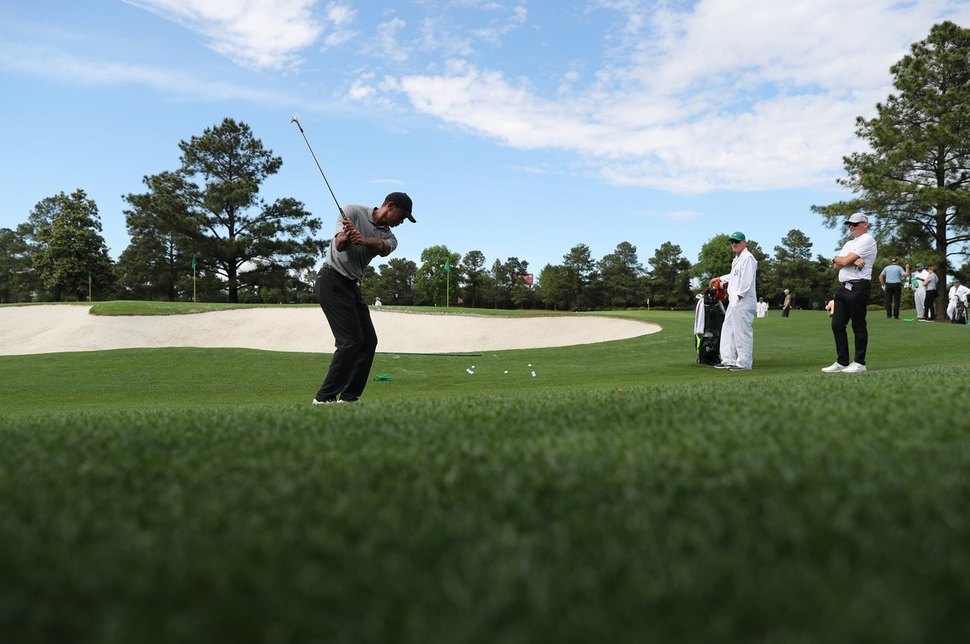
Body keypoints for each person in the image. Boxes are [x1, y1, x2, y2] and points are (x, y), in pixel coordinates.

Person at [312, 192, 416, 405]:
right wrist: (348, 236)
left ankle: (349, 398)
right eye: (402, 216)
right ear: (390, 206)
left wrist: (363, 239)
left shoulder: (391, 236)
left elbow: (382, 247)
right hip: (331, 280)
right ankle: (323, 399)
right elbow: (339, 244)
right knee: (350, 341)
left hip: (351, 285)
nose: (402, 222)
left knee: (368, 341)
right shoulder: (351, 211)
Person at [822, 212, 878, 373]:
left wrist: (845, 259)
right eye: (849, 224)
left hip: (859, 286)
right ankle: (842, 361)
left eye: (855, 224)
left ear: (865, 224)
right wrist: (841, 259)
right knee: (837, 324)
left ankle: (860, 363)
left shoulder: (868, 240)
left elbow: (844, 261)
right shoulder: (848, 243)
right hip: (843, 288)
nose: (851, 227)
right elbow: (836, 265)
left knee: (858, 325)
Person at [709, 231, 758, 371]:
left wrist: (738, 297)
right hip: (734, 301)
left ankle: (744, 363)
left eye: (737, 241)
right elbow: (733, 276)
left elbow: (746, 281)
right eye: (732, 242)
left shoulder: (748, 258)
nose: (734, 244)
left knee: (742, 332)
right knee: (728, 329)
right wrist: (720, 279)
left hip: (742, 302)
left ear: (744, 243)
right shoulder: (737, 259)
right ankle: (728, 360)